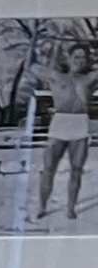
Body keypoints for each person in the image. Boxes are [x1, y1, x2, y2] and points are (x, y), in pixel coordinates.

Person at [37, 38, 95, 229]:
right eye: (76, 56)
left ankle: (70, 208)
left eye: (83, 57)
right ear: (69, 58)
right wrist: (54, 47)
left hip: (79, 125)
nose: (80, 60)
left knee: (76, 170)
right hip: (59, 123)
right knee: (48, 169)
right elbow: (34, 66)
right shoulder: (56, 76)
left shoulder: (89, 79)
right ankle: (42, 205)